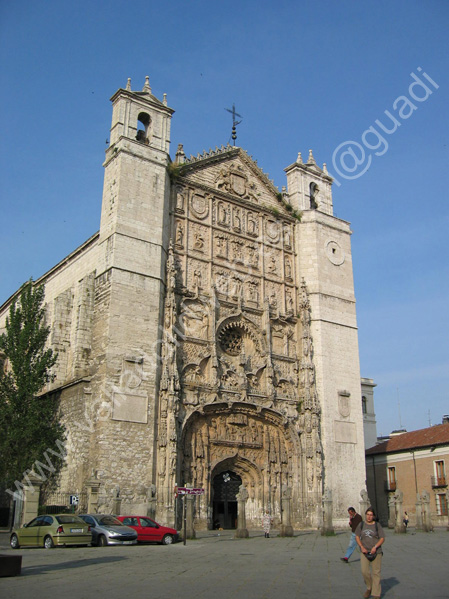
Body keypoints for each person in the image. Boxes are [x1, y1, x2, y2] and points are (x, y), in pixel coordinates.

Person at [355, 507, 385, 599]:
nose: (369, 517)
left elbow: (382, 538)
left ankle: (376, 594)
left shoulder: (377, 525)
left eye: (371, 515)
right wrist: (361, 547)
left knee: (376, 572)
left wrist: (375, 547)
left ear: (373, 516)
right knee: (364, 572)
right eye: (367, 515)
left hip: (376, 551)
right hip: (364, 551)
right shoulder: (361, 525)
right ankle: (369, 587)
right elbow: (357, 536)